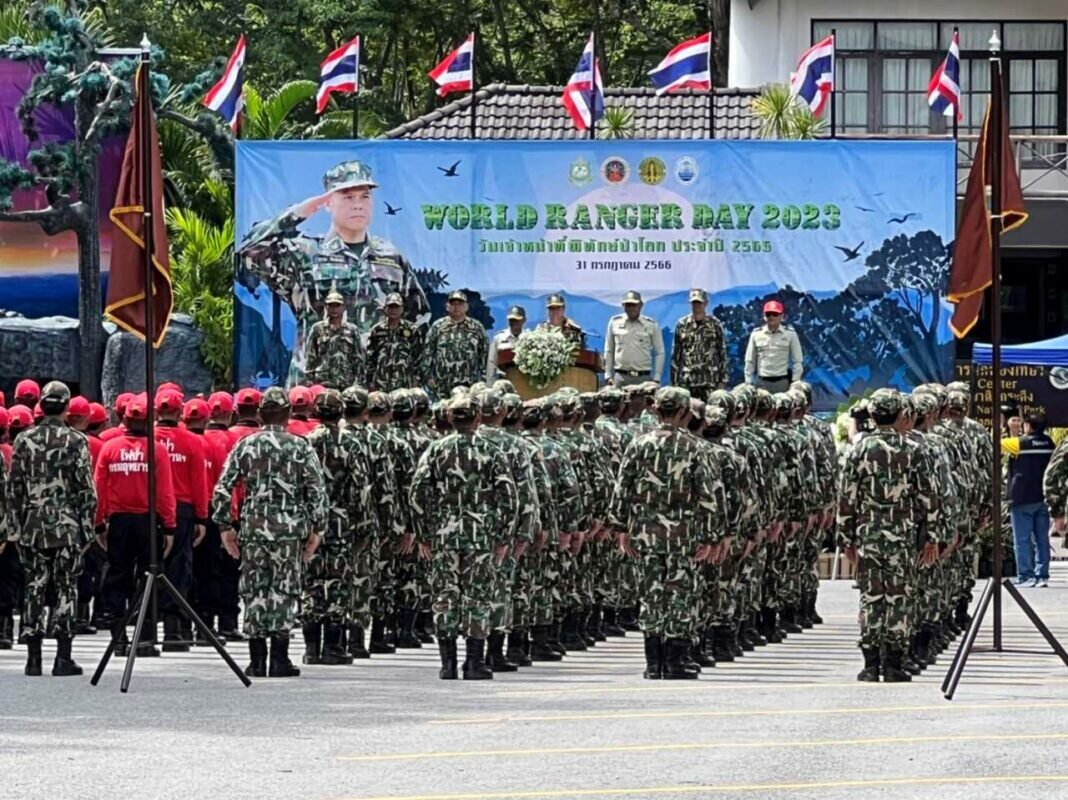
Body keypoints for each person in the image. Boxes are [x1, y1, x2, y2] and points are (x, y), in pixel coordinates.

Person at [238, 160, 430, 387]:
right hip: (315, 385)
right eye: (348, 197)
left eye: (365, 197)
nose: (358, 205)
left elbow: (419, 320)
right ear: (328, 203)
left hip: (377, 389)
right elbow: (248, 252)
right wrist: (297, 213)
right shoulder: (305, 253)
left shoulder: (391, 257)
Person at [608, 386, 728, 680]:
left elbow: (622, 489)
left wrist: (620, 527)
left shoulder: (638, 445)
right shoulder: (695, 447)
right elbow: (708, 496)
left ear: (656, 410)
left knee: (650, 594)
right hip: (683, 536)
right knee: (680, 595)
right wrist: (713, 536)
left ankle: (653, 663)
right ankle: (675, 661)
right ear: (685, 413)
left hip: (644, 535)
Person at [211, 387, 328, 678]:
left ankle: (256, 659)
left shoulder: (246, 445)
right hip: (289, 530)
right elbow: (316, 490)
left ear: (261, 414)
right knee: (284, 590)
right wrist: (318, 528)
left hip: (253, 529)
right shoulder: (300, 446)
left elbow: (223, 487)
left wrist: (225, 526)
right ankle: (279, 658)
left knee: (254, 589)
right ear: (287, 414)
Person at [409, 391, 520, 680]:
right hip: (481, 536)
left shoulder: (436, 450)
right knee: (478, 596)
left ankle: (447, 664)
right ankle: (473, 663)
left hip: (444, 535)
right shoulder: (492, 451)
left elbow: (417, 492)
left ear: (449, 417)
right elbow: (509, 497)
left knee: (445, 594)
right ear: (478, 418)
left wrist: (423, 533)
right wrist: (504, 536)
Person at [837, 388, 938, 683]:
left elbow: (846, 498)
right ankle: (893, 663)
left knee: (871, 597)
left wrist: (846, 538)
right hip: (902, 535)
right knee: (899, 597)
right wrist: (932, 536)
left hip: (868, 534)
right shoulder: (914, 450)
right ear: (901, 415)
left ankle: (870, 664)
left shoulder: (859, 449)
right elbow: (928, 497)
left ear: (872, 414)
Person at [6, 381, 97, 677]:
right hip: (67, 526)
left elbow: (13, 489)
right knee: (66, 587)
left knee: (34, 586)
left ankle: (33, 658)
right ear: (67, 407)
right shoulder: (76, 441)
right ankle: (63, 657)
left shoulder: (24, 440)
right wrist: (87, 530)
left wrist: (13, 528)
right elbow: (86, 490)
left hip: (32, 525)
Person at [94, 393, 178, 658]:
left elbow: (99, 489)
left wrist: (99, 523)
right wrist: (170, 526)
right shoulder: (157, 450)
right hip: (147, 523)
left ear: (125, 419)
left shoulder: (109, 448)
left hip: (118, 522)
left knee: (117, 576)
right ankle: (144, 638)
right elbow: (165, 493)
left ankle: (118, 638)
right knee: (148, 577)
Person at [154, 389, 210, 650]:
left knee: (147, 569)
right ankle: (173, 631)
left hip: (149, 511)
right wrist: (202, 517)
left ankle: (145, 631)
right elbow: (200, 483)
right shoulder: (192, 441)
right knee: (178, 571)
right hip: (182, 510)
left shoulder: (147, 439)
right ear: (179, 412)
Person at [1003, 413, 1056, 587]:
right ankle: (1042, 575)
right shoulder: (1050, 443)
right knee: (1042, 539)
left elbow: (996, 444)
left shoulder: (1019, 443)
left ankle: (1026, 575)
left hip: (1022, 497)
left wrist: (1008, 428)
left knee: (1022, 540)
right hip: (1043, 497)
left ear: (1028, 426)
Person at [421, 290, 488, 396]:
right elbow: (427, 353)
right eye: (453, 304)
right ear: (447, 306)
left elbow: (484, 354)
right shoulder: (437, 327)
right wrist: (428, 377)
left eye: (460, 304)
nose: (456, 307)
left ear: (466, 306)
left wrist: (483, 379)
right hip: (442, 386)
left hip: (469, 386)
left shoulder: (476, 327)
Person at [671, 289, 729, 401]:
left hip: (710, 380)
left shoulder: (715, 324)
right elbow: (676, 355)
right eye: (694, 303)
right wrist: (675, 382)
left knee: (711, 411)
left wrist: (723, 380)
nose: (696, 306)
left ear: (706, 303)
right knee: (688, 411)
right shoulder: (682, 324)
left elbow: (722, 352)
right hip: (687, 381)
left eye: (699, 302)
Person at [304, 288, 367, 389]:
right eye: (331, 305)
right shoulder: (317, 329)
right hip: (322, 383)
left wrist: (359, 384)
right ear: (326, 307)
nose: (334, 309)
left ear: (343, 307)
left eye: (337, 305)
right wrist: (310, 382)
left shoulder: (352, 330)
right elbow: (310, 358)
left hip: (346, 383)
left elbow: (358, 359)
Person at [366, 292, 426, 392]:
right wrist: (370, 381)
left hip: (405, 383)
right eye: (390, 307)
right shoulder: (377, 330)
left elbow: (419, 357)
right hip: (381, 383)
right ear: (385, 309)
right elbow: (370, 358)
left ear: (402, 309)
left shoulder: (412, 330)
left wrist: (417, 379)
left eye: (396, 307)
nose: (393, 310)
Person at [604, 291, 665, 388]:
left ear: (640, 305)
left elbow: (659, 352)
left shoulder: (651, 325)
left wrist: (657, 377)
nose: (631, 308)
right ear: (623, 306)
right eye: (628, 305)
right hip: (621, 377)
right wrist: (607, 375)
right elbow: (609, 350)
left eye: (634, 305)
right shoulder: (614, 322)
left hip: (643, 377)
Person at [743, 300, 803, 392]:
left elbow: (797, 360)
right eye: (768, 314)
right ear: (764, 316)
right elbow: (750, 361)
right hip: (762, 383)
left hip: (782, 383)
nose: (771, 317)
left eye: (775, 314)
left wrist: (795, 381)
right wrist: (748, 382)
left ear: (782, 316)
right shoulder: (756, 334)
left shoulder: (790, 334)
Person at [487, 305, 527, 381]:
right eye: (511, 320)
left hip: (524, 381)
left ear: (524, 320)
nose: (513, 323)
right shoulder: (499, 338)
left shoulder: (529, 339)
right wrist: (490, 384)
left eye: (516, 320)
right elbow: (491, 363)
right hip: (503, 381)